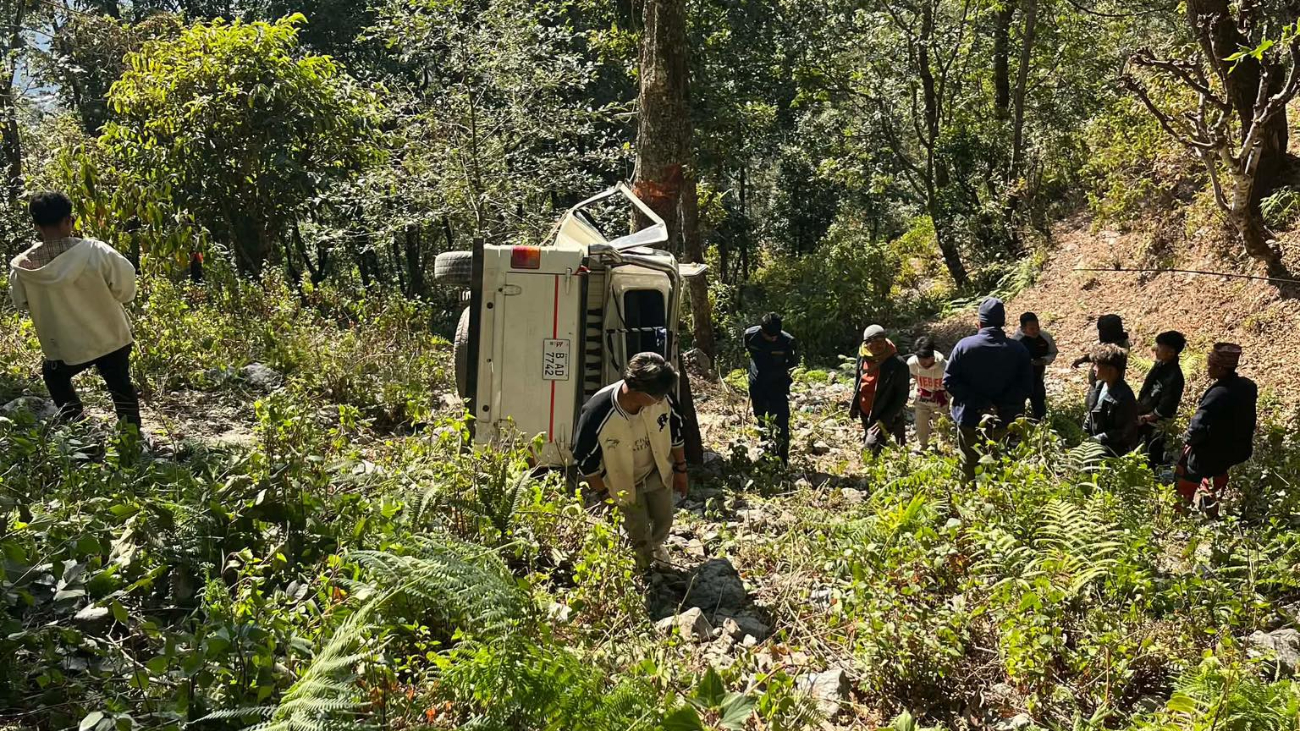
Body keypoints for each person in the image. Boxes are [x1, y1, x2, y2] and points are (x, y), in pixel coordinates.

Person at [8, 191, 141, 430]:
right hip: (110, 335)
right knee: (120, 385)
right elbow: (125, 287)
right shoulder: (96, 252)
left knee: (55, 376)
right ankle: (130, 438)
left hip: (64, 344)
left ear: (37, 226)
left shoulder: (23, 268)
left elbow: (21, 302)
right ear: (69, 220)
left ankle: (79, 431)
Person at [573, 352, 688, 571]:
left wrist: (681, 469)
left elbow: (676, 431)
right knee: (637, 532)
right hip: (622, 483)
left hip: (656, 470)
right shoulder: (598, 412)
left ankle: (657, 548)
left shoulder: (662, 397)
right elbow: (584, 460)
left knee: (664, 520)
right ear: (636, 391)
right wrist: (604, 496)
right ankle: (643, 572)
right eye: (656, 398)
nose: (662, 400)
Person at [943, 298, 1033, 482]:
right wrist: (1000, 406)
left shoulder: (964, 346)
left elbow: (950, 381)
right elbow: (1026, 387)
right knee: (999, 460)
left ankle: (969, 499)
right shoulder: (1018, 349)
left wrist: (981, 404)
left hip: (969, 416)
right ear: (1003, 322)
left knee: (969, 461)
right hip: (1004, 420)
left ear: (980, 322)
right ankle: (997, 498)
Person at [1176, 343, 1257, 516]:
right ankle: (1211, 503)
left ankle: (1180, 515)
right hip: (1237, 449)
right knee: (1215, 473)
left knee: (1186, 477)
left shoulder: (1217, 394)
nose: (1208, 369)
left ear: (1221, 368)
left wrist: (1188, 443)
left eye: (1211, 366)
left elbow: (1197, 427)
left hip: (1212, 451)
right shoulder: (1248, 386)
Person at [743, 313, 797, 464]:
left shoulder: (787, 341)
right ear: (762, 330)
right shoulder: (750, 335)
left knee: (782, 423)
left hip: (777, 386)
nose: (773, 339)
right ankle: (766, 457)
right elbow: (749, 351)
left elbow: (792, 363)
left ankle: (782, 459)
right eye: (769, 336)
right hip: (757, 385)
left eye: (775, 336)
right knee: (762, 421)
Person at [849, 324, 908, 456]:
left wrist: (885, 419)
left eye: (880, 342)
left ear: (885, 341)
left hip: (884, 413)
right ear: (866, 344)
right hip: (866, 411)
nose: (877, 346)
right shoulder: (862, 356)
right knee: (872, 442)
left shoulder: (897, 364)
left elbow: (902, 396)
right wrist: (854, 405)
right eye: (872, 343)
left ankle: (872, 472)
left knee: (870, 447)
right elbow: (859, 380)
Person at [1137, 331, 1186, 467]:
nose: (1155, 349)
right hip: (1142, 416)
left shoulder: (1174, 377)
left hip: (1156, 424)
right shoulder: (1159, 366)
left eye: (1159, 346)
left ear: (1171, 352)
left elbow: (1165, 408)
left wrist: (1145, 418)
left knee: (1152, 455)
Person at [1082, 344, 1140, 456]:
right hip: (1093, 447)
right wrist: (1084, 433)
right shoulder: (1097, 386)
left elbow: (1123, 431)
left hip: (1111, 452)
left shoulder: (1124, 397)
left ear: (1111, 370)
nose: (1093, 368)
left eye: (1097, 365)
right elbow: (1091, 412)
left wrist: (1097, 440)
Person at [1011, 312, 1058, 421]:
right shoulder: (1015, 341)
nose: (1036, 331)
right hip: (1019, 382)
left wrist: (1044, 360)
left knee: (1040, 407)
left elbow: (1053, 352)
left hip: (1037, 378)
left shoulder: (1045, 337)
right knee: (1018, 410)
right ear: (1023, 328)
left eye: (1037, 327)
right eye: (1032, 329)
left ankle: (1041, 429)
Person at [906, 336, 947, 452]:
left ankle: (943, 445)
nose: (923, 363)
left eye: (926, 359)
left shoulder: (944, 367)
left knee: (941, 422)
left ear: (932, 356)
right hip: (922, 395)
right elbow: (913, 378)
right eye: (920, 359)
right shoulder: (911, 364)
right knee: (920, 422)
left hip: (940, 398)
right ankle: (922, 444)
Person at [1072, 313, 1130, 385]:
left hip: (1103, 384)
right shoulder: (1120, 342)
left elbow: (1102, 356)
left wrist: (1083, 359)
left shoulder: (1114, 349)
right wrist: (1083, 359)